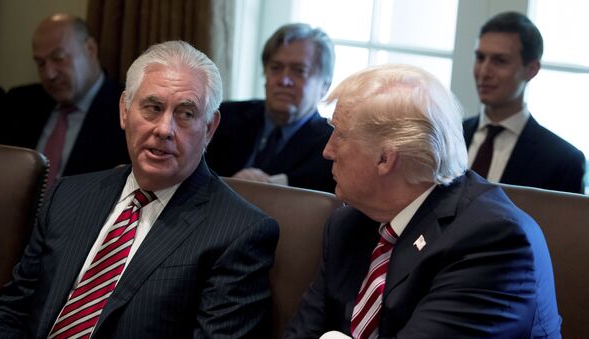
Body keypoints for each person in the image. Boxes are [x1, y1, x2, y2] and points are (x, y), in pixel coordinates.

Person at [0, 40, 279, 338]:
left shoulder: (240, 232)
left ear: (209, 128)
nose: (165, 129)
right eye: (153, 108)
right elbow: (12, 310)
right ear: (125, 111)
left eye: (186, 114)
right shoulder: (67, 195)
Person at [283, 64, 561, 338]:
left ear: (385, 159)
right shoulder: (348, 223)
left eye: (340, 134)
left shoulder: (492, 240)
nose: (327, 150)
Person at [0, 13, 129, 186]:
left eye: (58, 58)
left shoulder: (126, 112)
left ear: (90, 49)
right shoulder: (20, 103)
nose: (49, 74)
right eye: (40, 64)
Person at [464, 11, 585, 194]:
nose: (484, 72)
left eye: (500, 61)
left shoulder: (563, 161)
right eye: (480, 58)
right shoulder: (447, 136)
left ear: (531, 70)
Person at [206, 23, 335, 193]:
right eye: (276, 68)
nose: (284, 80)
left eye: (299, 71)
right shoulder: (222, 117)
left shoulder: (332, 146)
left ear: (324, 86)